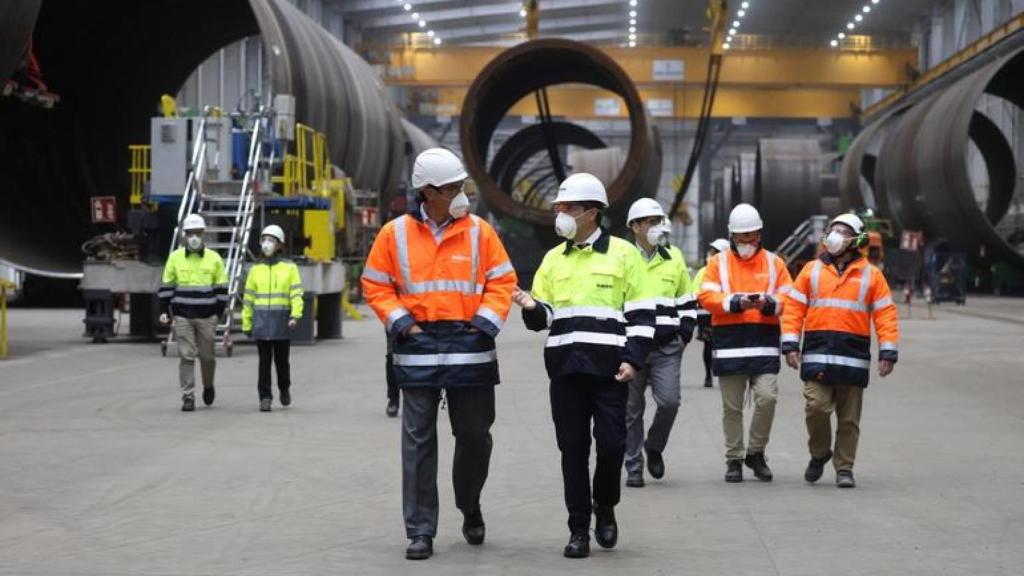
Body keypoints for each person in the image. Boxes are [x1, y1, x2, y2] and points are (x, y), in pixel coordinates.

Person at [361, 148, 517, 560]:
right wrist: (402, 324)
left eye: (461, 186)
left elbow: (502, 282)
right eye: (452, 189)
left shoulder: (480, 232)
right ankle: (420, 530)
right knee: (417, 443)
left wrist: (482, 325)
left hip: (470, 347)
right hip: (417, 348)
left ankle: (469, 504)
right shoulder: (393, 234)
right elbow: (376, 285)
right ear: (428, 193)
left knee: (474, 437)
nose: (462, 195)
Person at [513, 173, 655, 559]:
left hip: (610, 371)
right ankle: (579, 529)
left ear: (592, 212)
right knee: (572, 451)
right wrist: (530, 308)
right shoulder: (553, 259)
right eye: (559, 208)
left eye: (568, 208)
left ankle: (605, 506)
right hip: (565, 371)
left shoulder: (624, 255)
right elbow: (544, 316)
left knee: (612, 446)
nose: (561, 214)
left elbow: (642, 315)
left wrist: (633, 359)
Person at [781, 213, 900, 488]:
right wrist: (790, 344)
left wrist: (888, 352)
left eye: (842, 231)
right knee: (816, 407)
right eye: (832, 230)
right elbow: (793, 309)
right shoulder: (811, 270)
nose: (834, 236)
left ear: (856, 240)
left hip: (852, 357)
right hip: (817, 355)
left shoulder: (872, 275)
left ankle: (844, 467)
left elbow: (885, 315)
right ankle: (819, 453)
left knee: (848, 419)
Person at [697, 204, 792, 483]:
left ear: (760, 234)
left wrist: (769, 305)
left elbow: (789, 298)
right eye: (741, 237)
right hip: (730, 345)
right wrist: (735, 302)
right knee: (732, 407)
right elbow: (706, 296)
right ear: (732, 236)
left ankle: (756, 452)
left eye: (752, 236)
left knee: (767, 398)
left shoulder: (775, 263)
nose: (747, 242)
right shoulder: (718, 264)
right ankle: (734, 459)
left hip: (763, 343)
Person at [621, 198, 695, 489]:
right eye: (649, 222)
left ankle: (654, 446)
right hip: (632, 348)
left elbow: (686, 299)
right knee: (631, 409)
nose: (655, 227)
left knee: (669, 402)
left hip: (666, 347)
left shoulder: (673, 256)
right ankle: (634, 466)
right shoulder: (623, 257)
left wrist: (683, 334)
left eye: (657, 221)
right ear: (635, 227)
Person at [158, 214, 228, 412]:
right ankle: (188, 396)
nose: (194, 238)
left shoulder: (214, 259)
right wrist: (164, 309)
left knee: (207, 356)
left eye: (197, 233)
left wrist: (217, 313)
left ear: (203, 234)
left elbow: (222, 288)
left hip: (207, 316)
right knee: (186, 355)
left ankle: (208, 385)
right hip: (183, 316)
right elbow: (167, 285)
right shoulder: (175, 258)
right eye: (190, 234)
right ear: (184, 236)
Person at [241, 225, 304, 412]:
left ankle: (284, 388)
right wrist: (247, 323)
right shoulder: (255, 270)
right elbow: (248, 298)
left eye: (271, 240)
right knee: (264, 362)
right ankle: (265, 397)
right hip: (261, 324)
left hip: (282, 323)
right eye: (264, 239)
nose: (267, 244)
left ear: (279, 245)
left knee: (282, 362)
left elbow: (296, 294)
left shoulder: (289, 268)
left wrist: (295, 315)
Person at [693, 238, 731, 389]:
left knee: (723, 346)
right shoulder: (703, 271)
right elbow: (694, 290)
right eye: (712, 251)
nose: (712, 254)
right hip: (706, 314)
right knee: (708, 346)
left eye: (716, 252)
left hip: (724, 314)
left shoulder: (730, 272)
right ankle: (708, 375)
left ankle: (724, 373)